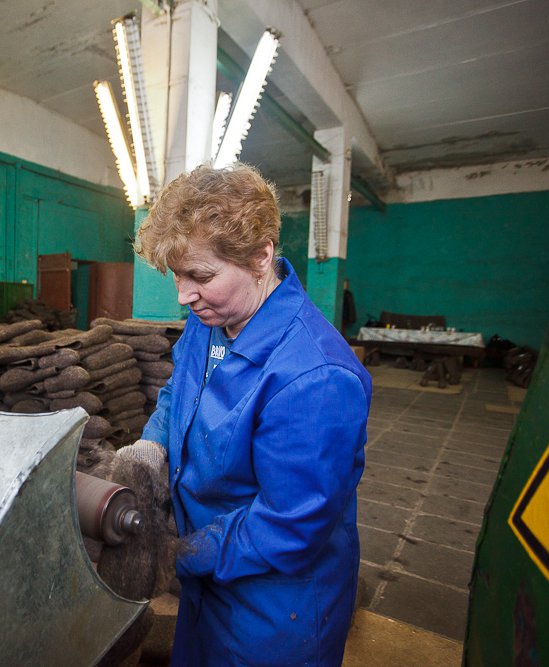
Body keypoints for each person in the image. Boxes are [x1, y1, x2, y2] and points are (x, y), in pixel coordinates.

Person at [118, 163, 372, 666]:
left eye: (200, 276)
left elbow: (289, 525)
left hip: (274, 612)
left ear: (261, 256)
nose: (183, 295)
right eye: (176, 275)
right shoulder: (211, 318)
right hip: (206, 588)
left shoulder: (316, 378)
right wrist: (151, 448)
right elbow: (178, 392)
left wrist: (180, 556)